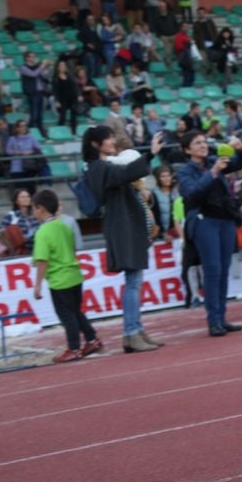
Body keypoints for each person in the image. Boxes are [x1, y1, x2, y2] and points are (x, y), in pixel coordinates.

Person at [83, 125, 165, 353]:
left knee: (135, 282)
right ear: (95, 144)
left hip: (127, 227)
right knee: (133, 282)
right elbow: (126, 173)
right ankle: (130, 332)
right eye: (108, 139)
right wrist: (150, 154)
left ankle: (136, 330)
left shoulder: (103, 166)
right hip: (123, 229)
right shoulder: (99, 167)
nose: (113, 142)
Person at [176, 132, 242, 337]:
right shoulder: (184, 172)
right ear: (187, 150)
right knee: (213, 271)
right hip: (204, 222)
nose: (202, 145)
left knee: (223, 270)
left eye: (203, 141)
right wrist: (214, 171)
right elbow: (191, 193)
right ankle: (213, 321)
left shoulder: (212, 160)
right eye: (196, 142)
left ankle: (221, 318)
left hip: (225, 221)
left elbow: (238, 162)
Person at [31, 189, 102, 364]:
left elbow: (42, 260)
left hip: (59, 279)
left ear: (41, 208)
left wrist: (37, 285)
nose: (33, 212)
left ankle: (74, 348)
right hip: (74, 275)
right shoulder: (64, 225)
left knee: (66, 315)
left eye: (34, 208)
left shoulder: (43, 232)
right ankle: (92, 339)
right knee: (76, 311)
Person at [6, 121, 44, 194]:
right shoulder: (12, 138)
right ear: (17, 128)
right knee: (20, 191)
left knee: (31, 190)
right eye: (21, 126)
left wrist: (30, 151)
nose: (23, 127)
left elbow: (38, 148)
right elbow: (8, 150)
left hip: (29, 167)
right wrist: (17, 152)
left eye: (25, 125)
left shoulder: (31, 138)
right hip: (17, 167)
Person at [20, 52, 51, 139]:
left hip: (40, 93)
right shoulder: (23, 68)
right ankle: (28, 131)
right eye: (31, 57)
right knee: (33, 115)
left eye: (33, 56)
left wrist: (47, 67)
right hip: (32, 93)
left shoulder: (36, 67)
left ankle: (41, 132)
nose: (33, 58)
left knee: (39, 115)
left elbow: (45, 76)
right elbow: (33, 74)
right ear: (26, 58)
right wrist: (42, 66)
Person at [0, 188, 41, 254]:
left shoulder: (36, 214)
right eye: (22, 197)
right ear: (16, 201)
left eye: (28, 196)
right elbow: (1, 234)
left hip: (37, 250)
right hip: (19, 254)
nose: (26, 199)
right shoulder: (11, 215)